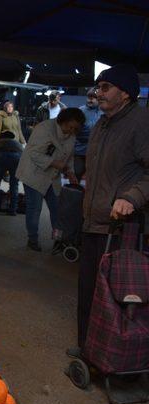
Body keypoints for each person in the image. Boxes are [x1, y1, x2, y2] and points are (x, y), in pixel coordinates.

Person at [69, 64, 149, 356]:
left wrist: (132, 196)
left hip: (120, 225)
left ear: (125, 93)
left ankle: (112, 354)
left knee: (114, 292)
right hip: (94, 218)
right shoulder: (103, 123)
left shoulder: (141, 123)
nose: (97, 93)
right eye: (98, 87)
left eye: (105, 87)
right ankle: (87, 346)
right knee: (88, 287)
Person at [15, 108, 85, 251]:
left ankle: (59, 240)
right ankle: (33, 240)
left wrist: (71, 173)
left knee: (58, 209)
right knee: (34, 209)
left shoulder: (71, 136)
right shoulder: (44, 128)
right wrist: (55, 163)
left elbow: (69, 157)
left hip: (52, 177)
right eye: (69, 126)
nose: (71, 131)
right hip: (33, 174)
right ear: (62, 121)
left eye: (75, 128)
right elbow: (33, 153)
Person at [0, 131, 23, 215]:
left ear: (1, 136)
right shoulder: (17, 143)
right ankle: (13, 210)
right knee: (14, 184)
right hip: (17, 157)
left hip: (1, 156)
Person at [74, 88, 103, 181]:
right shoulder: (80, 111)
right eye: (89, 97)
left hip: (96, 152)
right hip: (79, 150)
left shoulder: (103, 112)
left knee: (93, 178)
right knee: (76, 174)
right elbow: (74, 131)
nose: (90, 99)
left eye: (94, 97)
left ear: (98, 99)